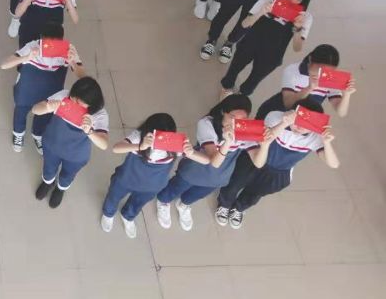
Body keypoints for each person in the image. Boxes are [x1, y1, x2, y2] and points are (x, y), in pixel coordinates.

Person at [216, 101, 339, 229]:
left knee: (256, 193)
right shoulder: (276, 116)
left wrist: (327, 142)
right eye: (298, 120)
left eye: (306, 124)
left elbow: (334, 164)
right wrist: (284, 123)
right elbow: (265, 138)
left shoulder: (315, 137)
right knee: (235, 183)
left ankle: (239, 208)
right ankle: (224, 204)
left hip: (279, 172)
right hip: (257, 156)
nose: (300, 127)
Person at [154, 95, 266, 230]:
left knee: (197, 194)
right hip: (196, 168)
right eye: (232, 117)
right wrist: (227, 143)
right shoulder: (207, 124)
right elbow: (214, 162)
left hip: (219, 176)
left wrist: (265, 144)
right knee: (176, 187)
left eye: (242, 119)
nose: (236, 123)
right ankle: (163, 201)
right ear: (223, 112)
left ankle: (183, 205)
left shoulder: (244, 129)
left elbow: (258, 163)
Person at [219, 0, 316, 98]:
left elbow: (297, 48)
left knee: (254, 80)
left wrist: (298, 29)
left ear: (305, 0)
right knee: (234, 69)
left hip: (273, 53)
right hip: (250, 43)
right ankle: (226, 88)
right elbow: (244, 24)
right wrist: (261, 12)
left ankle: (241, 96)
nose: (292, 1)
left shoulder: (305, 17)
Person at [0, 22, 87, 153]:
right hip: (27, 88)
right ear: (41, 38)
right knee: (21, 110)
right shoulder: (32, 47)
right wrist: (27, 57)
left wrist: (72, 62)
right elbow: (4, 65)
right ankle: (18, 133)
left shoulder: (68, 50)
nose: (51, 48)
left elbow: (83, 77)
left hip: (51, 89)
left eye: (55, 44)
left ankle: (37, 135)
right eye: (48, 43)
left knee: (44, 113)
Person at [100, 113, 188, 238]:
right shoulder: (139, 136)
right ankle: (108, 214)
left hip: (151, 187)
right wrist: (140, 146)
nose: (161, 140)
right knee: (113, 196)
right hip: (126, 179)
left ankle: (128, 216)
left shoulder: (174, 145)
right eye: (158, 135)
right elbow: (116, 148)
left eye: (166, 136)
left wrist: (190, 150)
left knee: (138, 203)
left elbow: (204, 160)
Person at [30, 77, 110, 208]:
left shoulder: (99, 115)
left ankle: (60, 189)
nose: (74, 104)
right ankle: (47, 182)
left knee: (68, 174)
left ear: (92, 103)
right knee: (48, 167)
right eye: (73, 98)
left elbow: (104, 144)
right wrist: (47, 106)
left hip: (76, 155)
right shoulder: (64, 96)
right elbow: (35, 109)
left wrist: (90, 131)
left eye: (79, 102)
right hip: (52, 145)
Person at [253, 44, 355, 121]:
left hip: (301, 122)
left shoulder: (331, 78)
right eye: (319, 69)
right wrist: (309, 88)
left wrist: (347, 94)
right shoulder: (293, 70)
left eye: (327, 72)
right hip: (276, 113)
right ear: (310, 60)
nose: (321, 74)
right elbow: (288, 104)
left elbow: (341, 113)